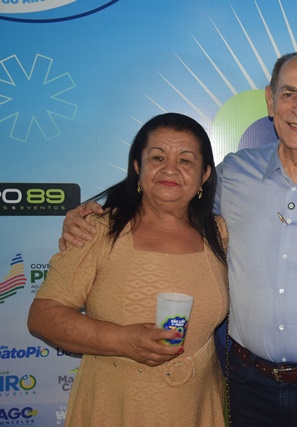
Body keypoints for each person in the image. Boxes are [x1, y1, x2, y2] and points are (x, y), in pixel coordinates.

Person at [59, 53, 297, 427]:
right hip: (248, 382)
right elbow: (169, 204)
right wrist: (99, 214)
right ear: (270, 101)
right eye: (289, 93)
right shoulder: (233, 174)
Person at [28, 113, 229, 426]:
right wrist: (122, 340)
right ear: (138, 167)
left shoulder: (218, 234)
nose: (170, 169)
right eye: (158, 157)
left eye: (185, 160)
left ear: (204, 175)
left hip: (197, 405)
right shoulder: (97, 230)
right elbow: (43, 316)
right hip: (115, 406)